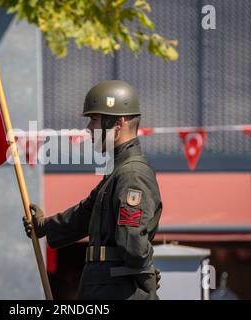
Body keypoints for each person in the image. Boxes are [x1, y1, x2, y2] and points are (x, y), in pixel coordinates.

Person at [23, 80, 163, 300]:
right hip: (105, 284)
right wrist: (44, 227)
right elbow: (84, 214)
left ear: (118, 123)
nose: (89, 128)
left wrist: (144, 272)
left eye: (95, 120)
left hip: (119, 289)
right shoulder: (117, 172)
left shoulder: (132, 174)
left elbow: (132, 242)